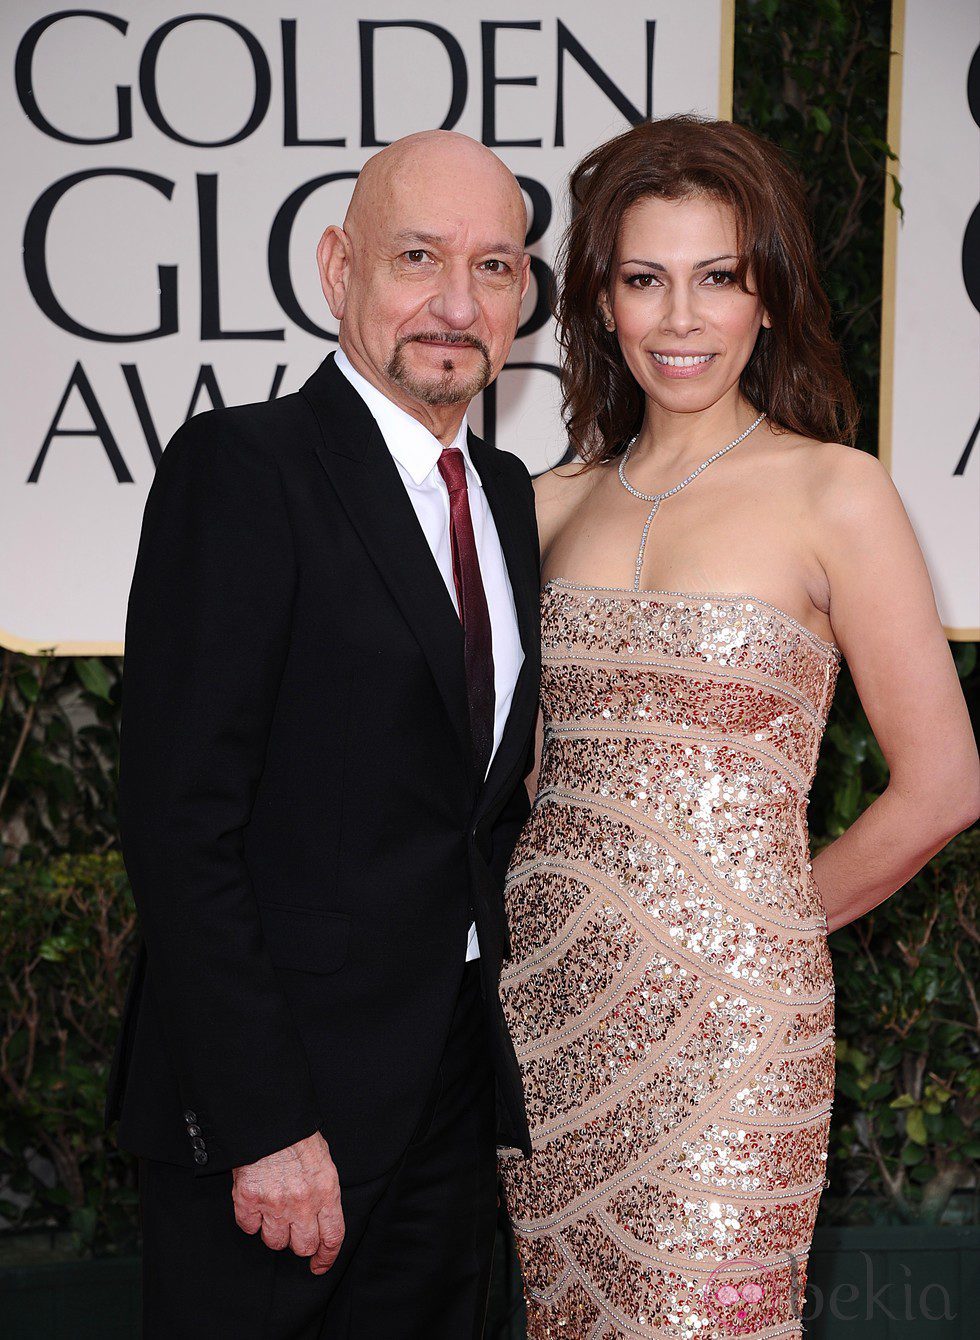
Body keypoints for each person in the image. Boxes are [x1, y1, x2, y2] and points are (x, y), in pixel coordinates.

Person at [498, 115, 980, 1338]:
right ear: (600, 301)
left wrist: (752, 928)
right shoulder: (540, 503)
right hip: (543, 1024)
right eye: (644, 279)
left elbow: (940, 784)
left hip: (732, 1035)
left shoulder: (836, 490)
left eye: (717, 277)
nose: (678, 319)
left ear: (766, 297)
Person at [106, 129, 541, 1339]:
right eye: (418, 257)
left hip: (448, 1114)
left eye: (495, 267)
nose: (456, 304)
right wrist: (264, 1123)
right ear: (335, 266)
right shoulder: (243, 470)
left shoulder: (503, 499)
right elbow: (180, 822)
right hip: (281, 1129)